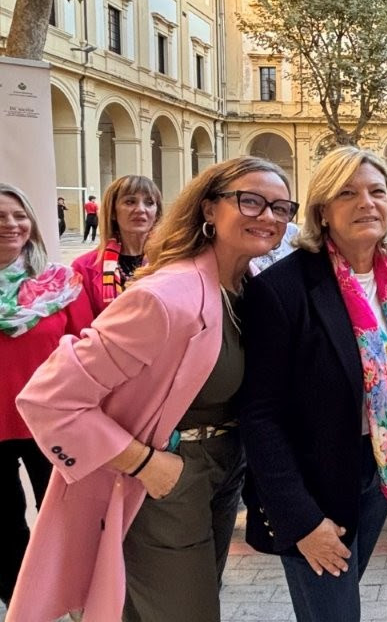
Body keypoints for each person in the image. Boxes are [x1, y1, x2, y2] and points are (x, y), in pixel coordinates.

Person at [9, 157, 296, 622]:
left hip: (222, 475)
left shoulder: (245, 288)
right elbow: (49, 397)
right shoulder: (165, 297)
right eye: (250, 201)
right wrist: (144, 463)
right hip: (167, 482)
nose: (267, 216)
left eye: (281, 208)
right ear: (209, 208)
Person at [240, 146, 387, 621]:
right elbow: (259, 417)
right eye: (347, 193)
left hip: (377, 472)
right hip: (315, 486)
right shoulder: (282, 289)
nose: (366, 202)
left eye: (377, 191)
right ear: (323, 210)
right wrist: (301, 520)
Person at [0, 185, 93, 609]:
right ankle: (21, 603)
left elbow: (88, 350)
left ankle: (68, 598)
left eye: (19, 215)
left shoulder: (59, 283)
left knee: (63, 520)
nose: (11, 224)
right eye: (0, 217)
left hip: (52, 424)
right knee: (4, 525)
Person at [71, 175, 162, 319]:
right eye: (130, 202)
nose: (140, 209)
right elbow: (81, 325)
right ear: (113, 212)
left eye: (149, 203)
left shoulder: (170, 261)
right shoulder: (83, 268)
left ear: (156, 213)